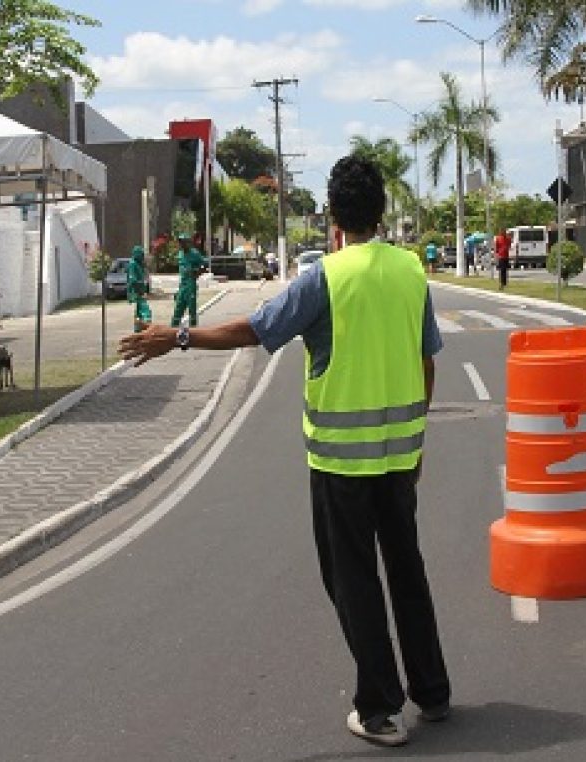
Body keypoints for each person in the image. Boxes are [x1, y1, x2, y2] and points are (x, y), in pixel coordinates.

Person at [119, 154, 451, 748]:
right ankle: (432, 692)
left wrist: (180, 336)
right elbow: (426, 361)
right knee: (407, 571)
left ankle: (380, 709)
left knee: (354, 581)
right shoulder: (410, 271)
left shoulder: (325, 278)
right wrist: (416, 442)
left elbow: (255, 328)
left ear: (334, 218)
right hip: (399, 458)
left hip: (341, 463)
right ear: (380, 212)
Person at [170, 233, 208, 327]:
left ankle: (193, 329)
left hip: (191, 284)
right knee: (179, 306)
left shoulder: (194, 253)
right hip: (182, 284)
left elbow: (205, 265)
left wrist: (198, 272)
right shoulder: (180, 254)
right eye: (180, 242)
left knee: (192, 308)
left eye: (183, 242)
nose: (181, 244)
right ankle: (173, 328)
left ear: (188, 243)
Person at [125, 245, 151, 332]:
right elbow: (132, 280)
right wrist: (142, 284)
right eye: (141, 255)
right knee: (146, 312)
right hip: (136, 293)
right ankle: (146, 329)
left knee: (139, 314)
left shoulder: (139, 264)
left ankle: (138, 331)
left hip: (140, 292)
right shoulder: (133, 264)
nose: (143, 257)